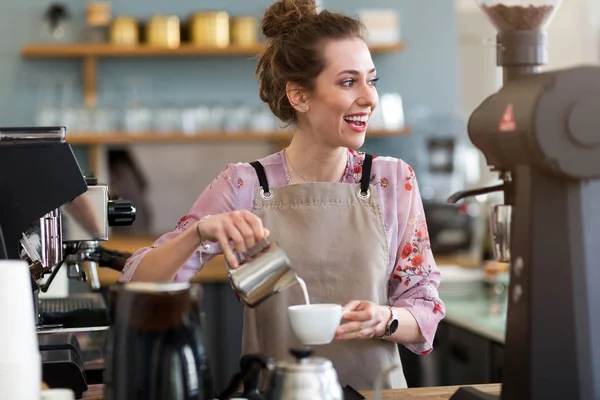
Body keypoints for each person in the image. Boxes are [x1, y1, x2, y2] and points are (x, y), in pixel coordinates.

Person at [120, 0, 445, 390]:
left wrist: (386, 319)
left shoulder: (392, 180)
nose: (369, 98)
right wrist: (199, 232)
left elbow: (424, 307)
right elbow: (138, 283)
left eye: (371, 80)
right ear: (299, 96)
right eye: (347, 82)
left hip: (376, 393)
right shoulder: (244, 185)